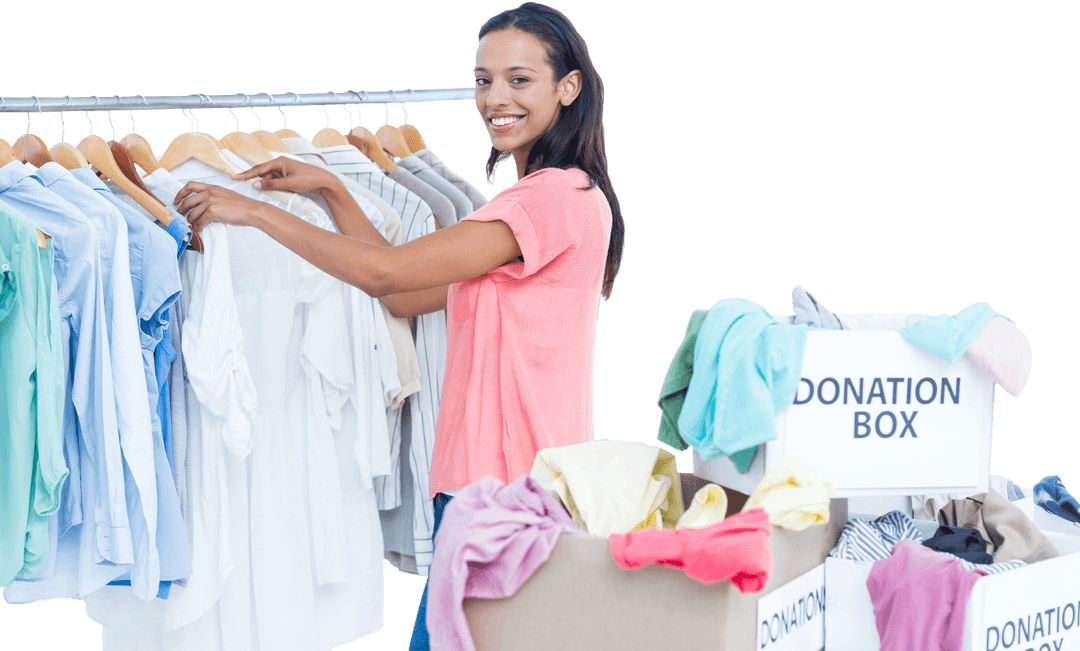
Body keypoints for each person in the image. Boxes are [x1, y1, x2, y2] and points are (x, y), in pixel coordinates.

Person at [174, 1, 621, 644]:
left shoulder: (551, 200)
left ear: (567, 87)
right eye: (483, 79)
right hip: (495, 494)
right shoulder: (543, 203)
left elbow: (385, 277)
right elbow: (403, 293)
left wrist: (253, 213)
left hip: (506, 498)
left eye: (519, 79)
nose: (495, 97)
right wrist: (330, 190)